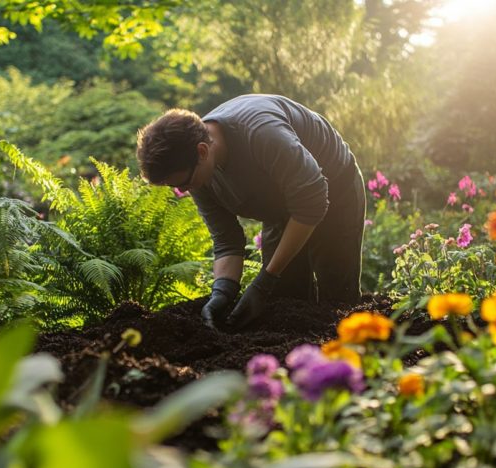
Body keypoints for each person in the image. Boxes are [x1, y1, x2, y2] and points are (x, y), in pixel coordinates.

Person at [136, 94, 366, 329]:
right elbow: (227, 239)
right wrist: (222, 293)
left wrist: (264, 281)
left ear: (203, 151)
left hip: (335, 191)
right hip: (280, 208)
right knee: (284, 301)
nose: (182, 190)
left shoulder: (261, 133)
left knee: (337, 299)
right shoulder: (195, 172)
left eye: (182, 182)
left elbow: (311, 202)